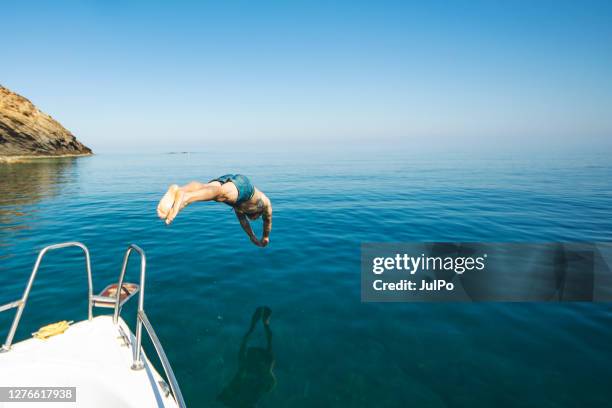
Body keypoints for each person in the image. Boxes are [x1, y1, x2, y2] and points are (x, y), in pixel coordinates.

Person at [157, 174, 272, 247]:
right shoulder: (264, 204)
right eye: (254, 218)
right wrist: (265, 237)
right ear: (257, 214)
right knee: (220, 194)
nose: (252, 218)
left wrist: (252, 236)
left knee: (206, 188)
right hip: (245, 188)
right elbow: (268, 221)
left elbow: (244, 223)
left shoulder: (240, 209)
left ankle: (181, 190)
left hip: (231, 180)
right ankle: (186, 197)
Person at [217, 306, 276, 408]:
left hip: (252, 372)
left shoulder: (245, 370)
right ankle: (260, 323)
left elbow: (271, 384)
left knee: (259, 345)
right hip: (255, 372)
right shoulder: (257, 373)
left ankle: (259, 323)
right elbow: (270, 384)